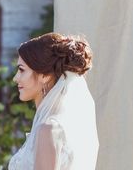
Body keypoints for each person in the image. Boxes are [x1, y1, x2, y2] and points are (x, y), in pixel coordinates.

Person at [8, 32, 98, 170]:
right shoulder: (60, 124)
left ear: (44, 75)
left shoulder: (48, 130)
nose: (15, 78)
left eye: (21, 70)